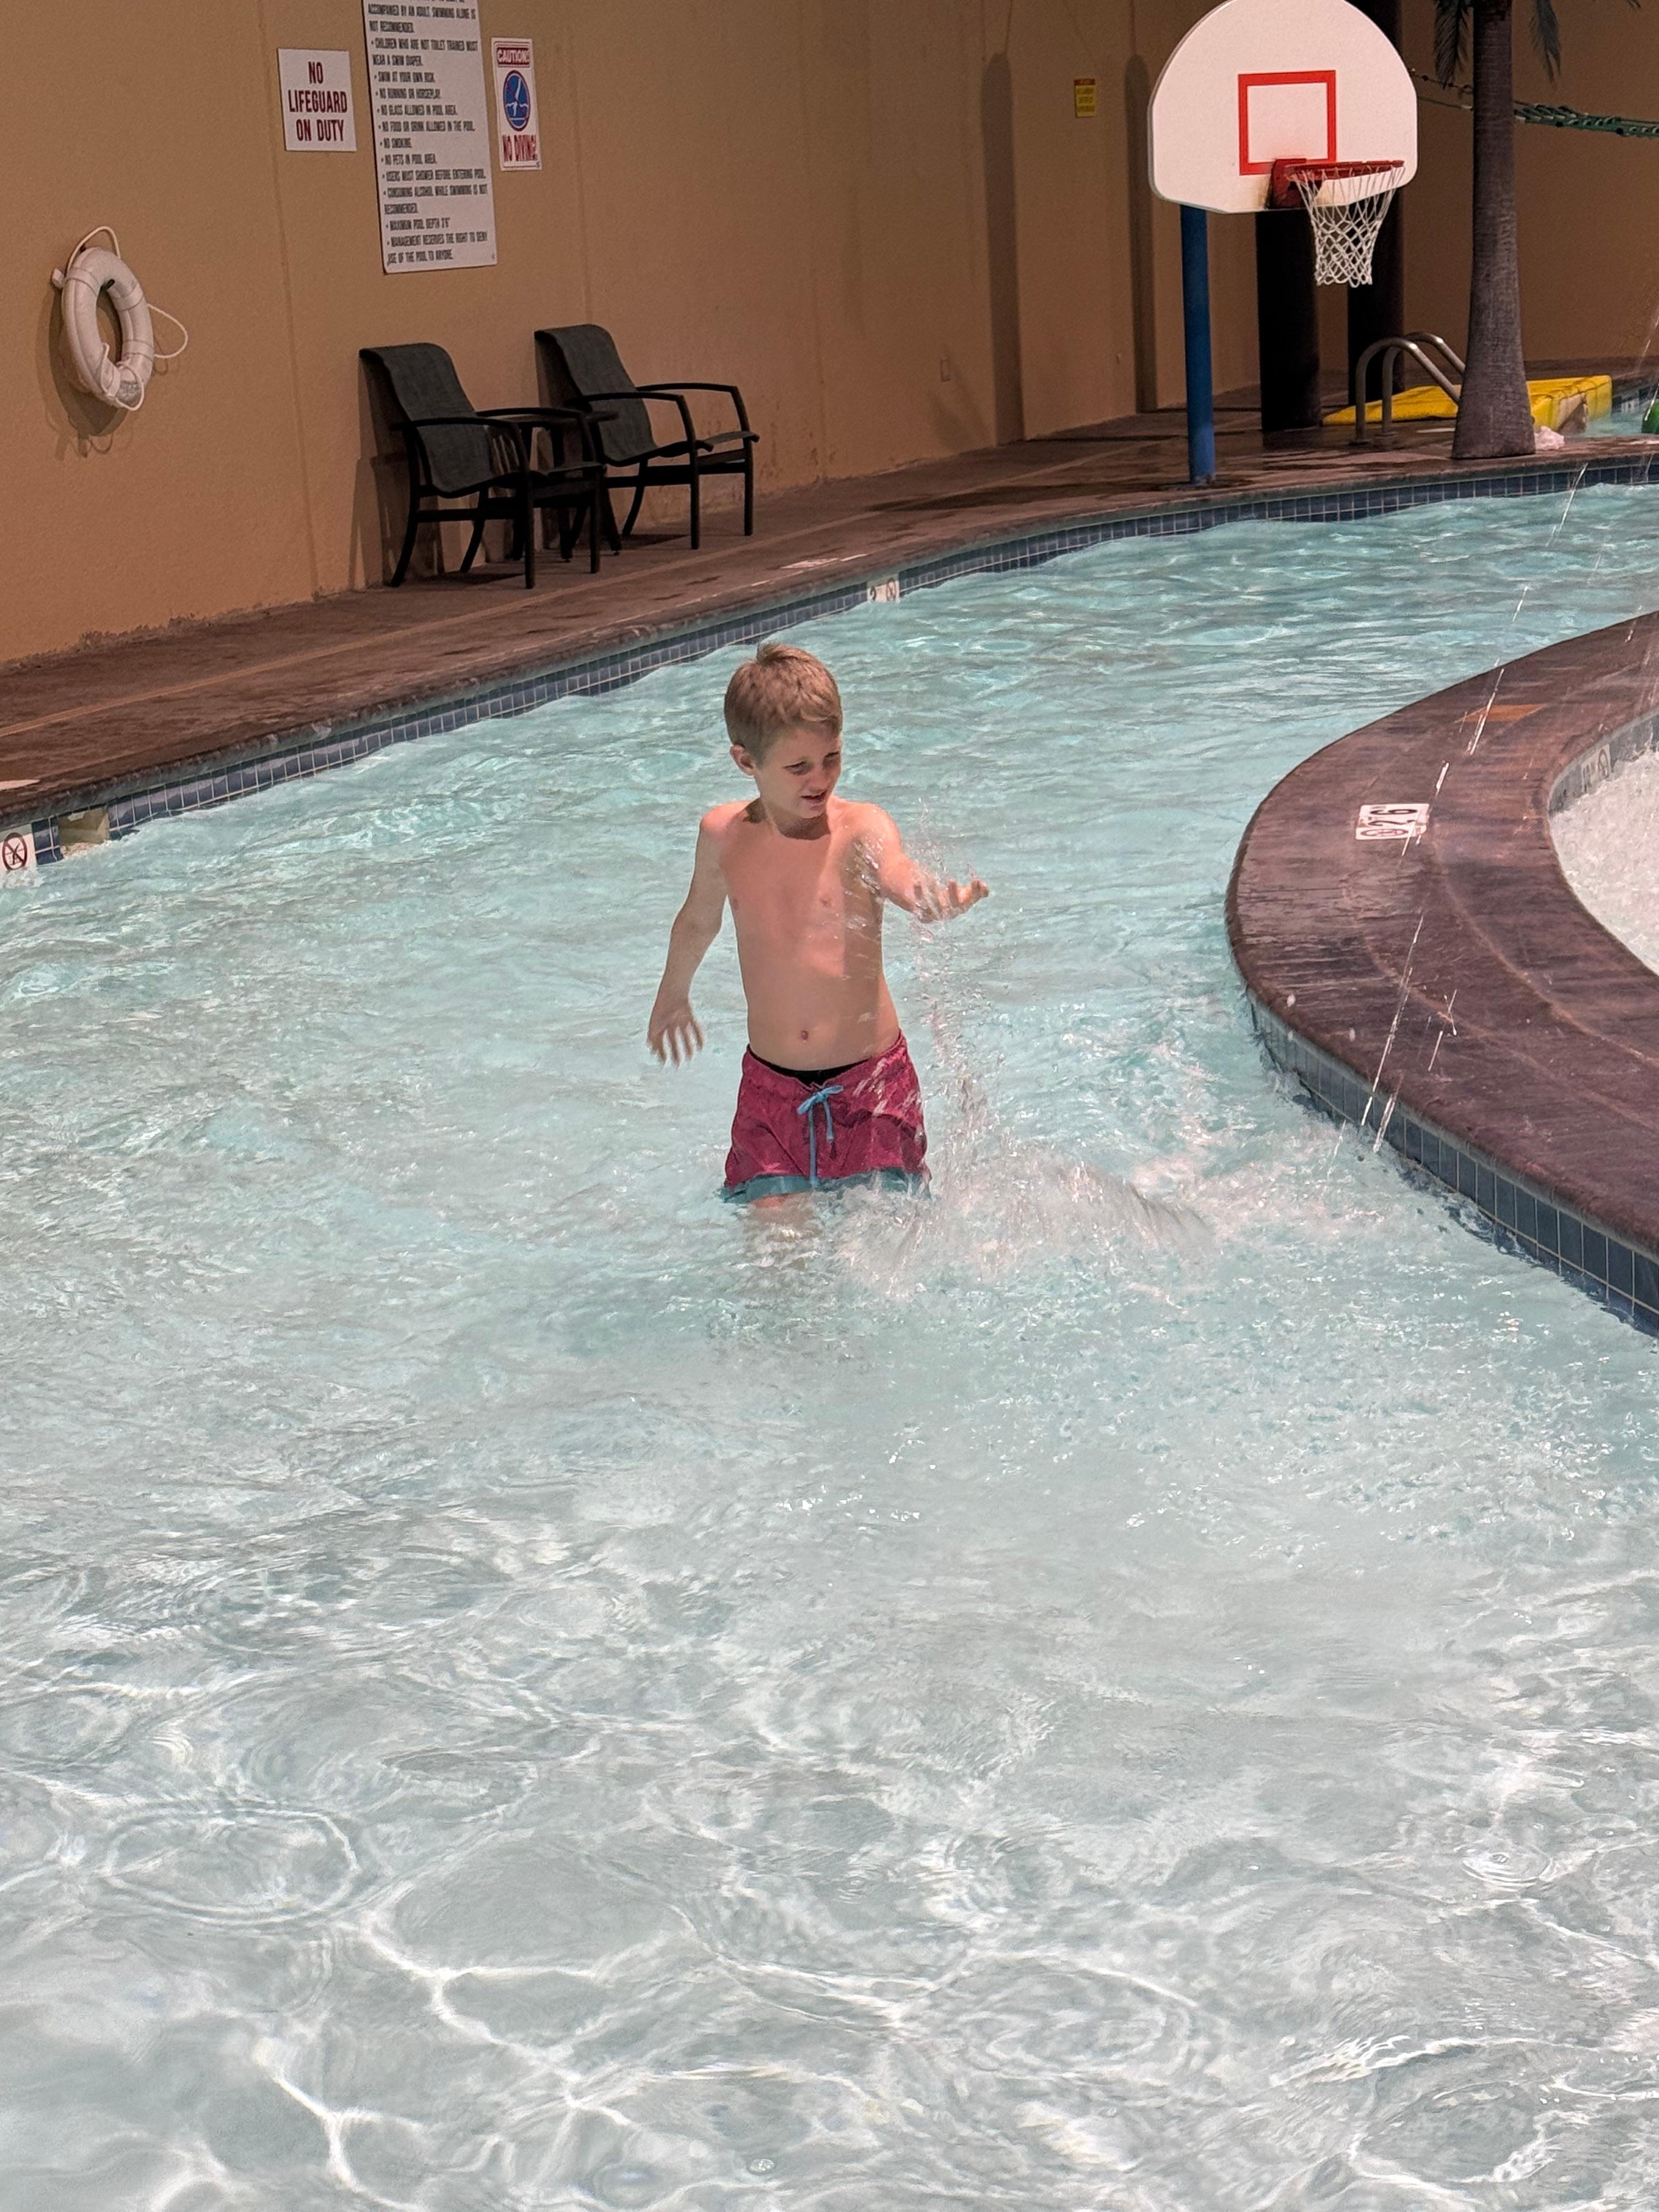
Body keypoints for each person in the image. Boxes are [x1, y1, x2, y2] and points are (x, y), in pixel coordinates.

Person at [647, 641, 988, 1199]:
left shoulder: (860, 829)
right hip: (772, 1091)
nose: (820, 779)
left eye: (832, 757)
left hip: (871, 1086)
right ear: (746, 762)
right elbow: (697, 921)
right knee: (776, 1258)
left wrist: (930, 897)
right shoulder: (724, 837)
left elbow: (898, 873)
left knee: (878, 1246)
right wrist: (672, 994)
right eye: (799, 766)